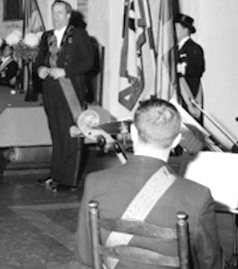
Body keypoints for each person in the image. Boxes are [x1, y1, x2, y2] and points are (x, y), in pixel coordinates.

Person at [76, 98, 222, 269]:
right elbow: (211, 263)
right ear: (177, 141)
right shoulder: (198, 196)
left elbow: (85, 256)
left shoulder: (95, 182)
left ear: (133, 132)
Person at [35, 0, 94, 191]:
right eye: (53, 12)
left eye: (60, 12)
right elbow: (39, 60)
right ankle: (56, 173)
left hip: (70, 90)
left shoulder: (78, 34)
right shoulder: (47, 36)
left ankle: (69, 179)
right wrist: (40, 69)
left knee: (71, 132)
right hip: (51, 90)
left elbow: (89, 62)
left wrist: (65, 71)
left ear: (68, 15)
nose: (56, 16)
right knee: (56, 130)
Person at [175, 13, 205, 123]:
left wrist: (182, 69)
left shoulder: (194, 48)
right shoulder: (175, 49)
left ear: (185, 30)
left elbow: (198, 69)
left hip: (190, 90)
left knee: (190, 123)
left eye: (176, 28)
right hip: (178, 91)